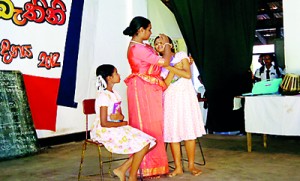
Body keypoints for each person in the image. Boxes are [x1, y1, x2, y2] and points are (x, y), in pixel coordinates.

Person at [122, 16, 172, 177]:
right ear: (140, 30)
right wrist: (167, 47)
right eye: (149, 29)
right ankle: (145, 167)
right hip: (142, 89)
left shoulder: (140, 46)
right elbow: (163, 62)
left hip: (147, 87)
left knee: (153, 127)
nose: (151, 32)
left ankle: (149, 167)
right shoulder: (138, 49)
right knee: (147, 128)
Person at [90, 64, 157, 181]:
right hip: (105, 130)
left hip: (116, 126)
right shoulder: (103, 96)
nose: (119, 75)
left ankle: (123, 169)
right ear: (109, 78)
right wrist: (122, 123)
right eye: (116, 73)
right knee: (144, 144)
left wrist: (119, 118)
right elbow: (104, 123)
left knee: (151, 142)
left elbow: (120, 116)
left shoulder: (115, 94)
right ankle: (132, 176)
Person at [154, 36, 206, 177]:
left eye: (161, 42)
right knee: (173, 134)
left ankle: (191, 166)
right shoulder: (158, 64)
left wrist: (170, 67)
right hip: (170, 100)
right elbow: (165, 84)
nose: (159, 45)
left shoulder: (181, 55)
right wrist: (172, 69)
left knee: (189, 132)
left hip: (186, 97)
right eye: (156, 44)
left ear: (169, 45)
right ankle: (178, 167)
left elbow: (187, 74)